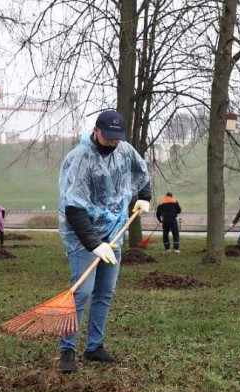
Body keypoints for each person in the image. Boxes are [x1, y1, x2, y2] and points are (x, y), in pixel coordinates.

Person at [58, 109, 151, 373]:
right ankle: (67, 350)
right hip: (83, 236)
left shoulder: (125, 150)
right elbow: (73, 208)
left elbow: (141, 171)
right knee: (81, 293)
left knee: (104, 292)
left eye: (116, 137)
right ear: (96, 130)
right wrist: (93, 244)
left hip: (114, 233)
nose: (112, 142)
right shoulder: (79, 159)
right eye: (107, 136)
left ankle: (94, 348)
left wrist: (144, 196)